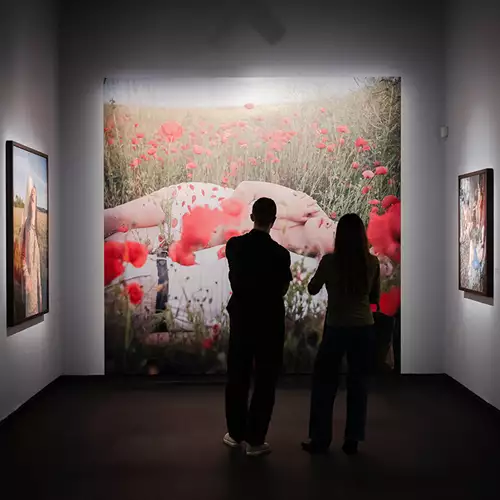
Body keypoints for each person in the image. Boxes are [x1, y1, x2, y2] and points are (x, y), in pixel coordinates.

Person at [301, 213, 380, 456]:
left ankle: (320, 439)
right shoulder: (372, 262)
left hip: (336, 328)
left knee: (324, 385)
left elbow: (312, 289)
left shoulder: (330, 262)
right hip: (363, 329)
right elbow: (374, 298)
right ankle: (352, 439)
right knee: (358, 385)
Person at [223, 197, 292, 457]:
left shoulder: (234, 246)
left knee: (237, 375)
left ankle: (235, 433)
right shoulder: (281, 254)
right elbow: (283, 288)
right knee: (265, 379)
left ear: (252, 217)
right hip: (269, 321)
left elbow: (236, 277)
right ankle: (256, 440)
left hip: (242, 318)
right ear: (273, 221)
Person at [20, 177, 43, 317]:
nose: (34, 202)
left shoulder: (35, 227)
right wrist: (27, 277)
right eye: (31, 197)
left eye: (35, 197)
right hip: (30, 278)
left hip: (36, 276)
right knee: (31, 308)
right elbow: (21, 255)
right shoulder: (27, 227)